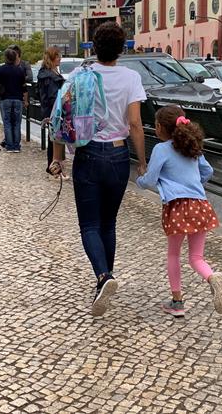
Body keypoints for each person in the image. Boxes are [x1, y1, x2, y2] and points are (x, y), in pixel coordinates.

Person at [49, 22, 147, 317]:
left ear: (93, 46)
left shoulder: (80, 75)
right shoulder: (131, 77)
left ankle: (104, 277)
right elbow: (135, 125)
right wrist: (141, 161)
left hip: (88, 154)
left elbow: (61, 118)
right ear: (122, 48)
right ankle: (105, 278)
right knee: (108, 223)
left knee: (89, 225)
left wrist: (58, 159)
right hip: (118, 155)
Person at [136, 106, 222, 317]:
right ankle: (212, 277)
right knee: (196, 257)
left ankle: (177, 303)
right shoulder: (191, 145)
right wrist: (195, 183)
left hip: (177, 206)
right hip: (200, 205)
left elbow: (151, 179)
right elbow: (208, 171)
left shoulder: (162, 149)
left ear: (160, 127)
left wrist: (140, 179)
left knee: (174, 254)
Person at [38, 46, 65, 175]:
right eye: (58, 56)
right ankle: (53, 168)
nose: (60, 58)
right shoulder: (50, 75)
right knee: (54, 139)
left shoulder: (49, 72)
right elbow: (53, 95)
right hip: (54, 110)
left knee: (55, 138)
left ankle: (54, 166)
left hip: (50, 109)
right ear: (52, 58)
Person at [0, 48, 27, 152]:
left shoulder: (1, 69)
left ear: (6, 57)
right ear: (15, 58)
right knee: (17, 123)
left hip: (5, 99)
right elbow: (24, 87)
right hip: (18, 99)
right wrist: (25, 100)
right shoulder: (20, 70)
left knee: (7, 122)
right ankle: (16, 146)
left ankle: (9, 145)